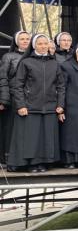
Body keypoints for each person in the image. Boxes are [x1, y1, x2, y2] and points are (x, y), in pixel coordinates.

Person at [8, 34, 65, 172]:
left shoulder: (54, 63)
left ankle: (43, 163)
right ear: (34, 45)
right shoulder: (26, 62)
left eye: (45, 43)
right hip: (30, 106)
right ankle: (31, 164)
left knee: (46, 138)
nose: (43, 46)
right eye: (40, 44)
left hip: (50, 107)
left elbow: (61, 86)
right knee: (31, 139)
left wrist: (60, 105)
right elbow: (18, 85)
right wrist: (21, 105)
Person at [0, 31, 30, 165]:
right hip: (12, 99)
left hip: (29, 99)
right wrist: (4, 100)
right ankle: (7, 158)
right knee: (10, 129)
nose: (25, 41)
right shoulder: (8, 57)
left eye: (27, 39)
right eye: (22, 39)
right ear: (16, 41)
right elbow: (3, 79)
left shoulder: (33, 57)